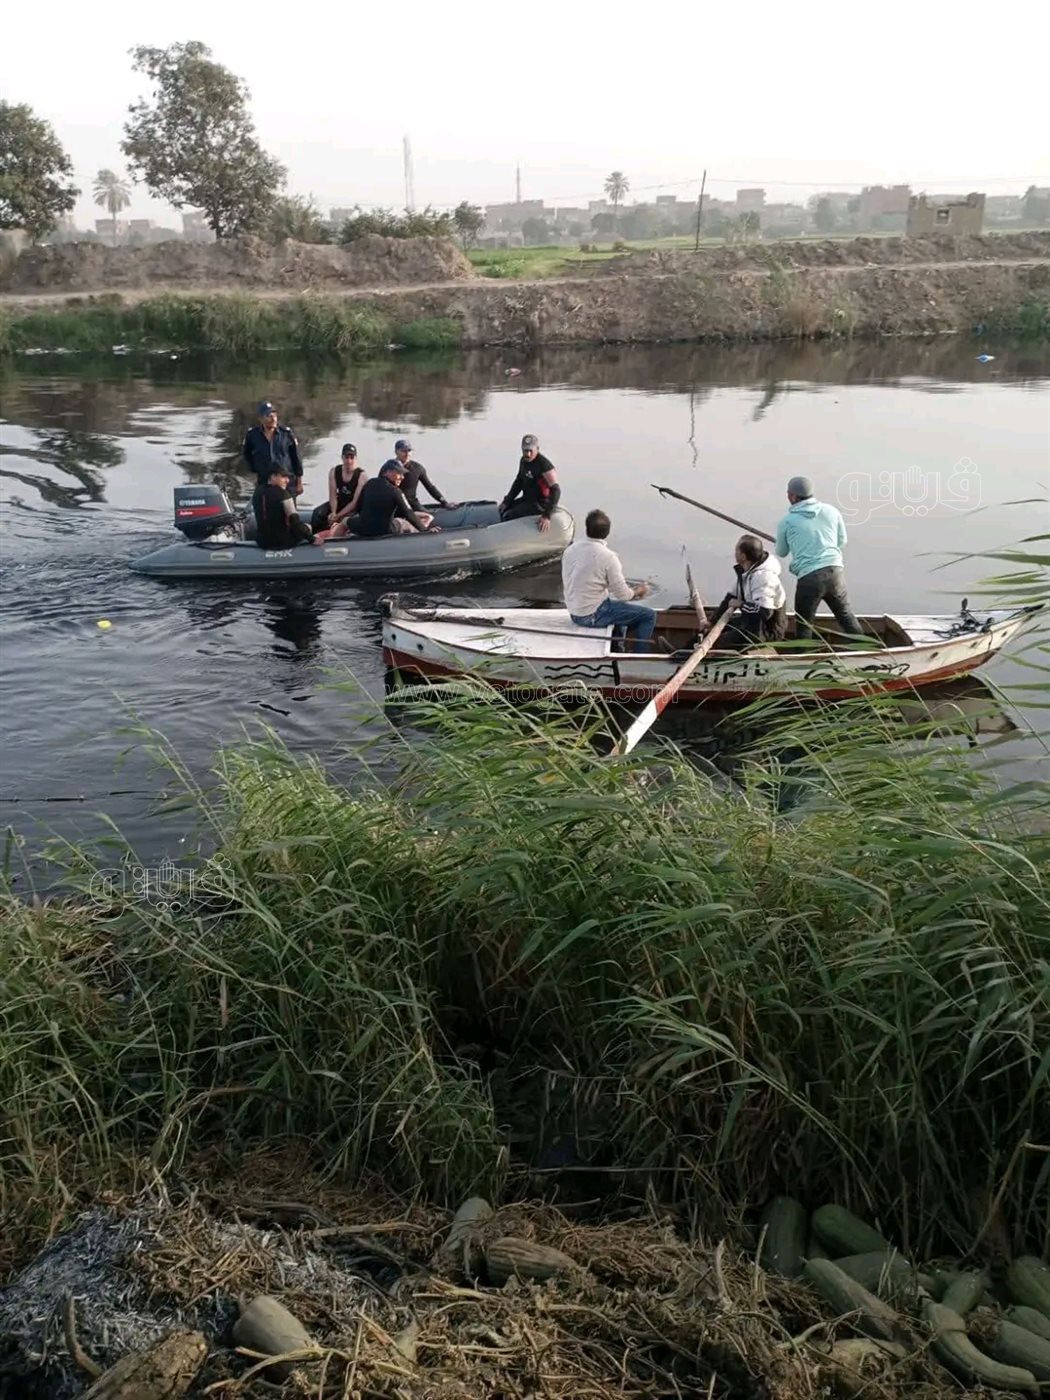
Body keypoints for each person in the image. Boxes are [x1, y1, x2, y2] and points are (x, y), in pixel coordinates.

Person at [774, 476, 863, 641]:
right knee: (846, 616)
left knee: (804, 625)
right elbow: (841, 541)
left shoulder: (787, 522)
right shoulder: (831, 511)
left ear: (792, 496)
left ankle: (803, 659)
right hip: (835, 572)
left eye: (788, 494)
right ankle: (870, 652)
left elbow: (781, 552)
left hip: (809, 578)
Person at [561, 509, 655, 652]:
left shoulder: (570, 550)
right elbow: (624, 596)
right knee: (648, 615)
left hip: (574, 612)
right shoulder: (608, 557)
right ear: (607, 532)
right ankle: (639, 656)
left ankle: (617, 646)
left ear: (586, 528)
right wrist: (639, 590)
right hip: (592, 614)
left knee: (619, 610)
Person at [702, 534, 787, 646]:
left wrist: (741, 605)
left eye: (736, 550)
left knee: (717, 643)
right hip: (750, 623)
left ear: (743, 556)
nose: (734, 553)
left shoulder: (764, 577)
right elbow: (730, 598)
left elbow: (765, 612)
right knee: (707, 634)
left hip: (766, 631)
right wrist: (712, 621)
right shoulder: (746, 572)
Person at [344, 460, 440, 538]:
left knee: (344, 522)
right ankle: (420, 541)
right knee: (403, 523)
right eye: (399, 473)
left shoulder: (369, 483)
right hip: (385, 530)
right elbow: (409, 513)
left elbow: (359, 507)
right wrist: (425, 530)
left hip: (363, 528)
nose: (402, 477)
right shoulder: (395, 491)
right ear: (387, 472)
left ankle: (334, 544)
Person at [379, 439, 455, 520]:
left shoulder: (417, 468)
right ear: (396, 451)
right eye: (403, 451)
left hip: (412, 504)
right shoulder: (388, 468)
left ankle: (421, 530)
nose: (407, 454)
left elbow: (430, 487)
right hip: (393, 505)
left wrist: (444, 502)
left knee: (431, 519)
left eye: (409, 451)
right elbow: (379, 488)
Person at [499, 434, 560, 533]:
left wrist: (547, 515)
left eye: (531, 451)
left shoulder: (544, 466)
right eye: (525, 450)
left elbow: (556, 491)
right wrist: (507, 501)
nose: (528, 454)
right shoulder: (523, 461)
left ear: (537, 449)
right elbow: (518, 482)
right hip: (527, 499)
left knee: (509, 516)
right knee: (504, 511)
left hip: (540, 504)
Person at [242, 400, 303, 497]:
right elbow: (247, 455)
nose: (273, 419)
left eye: (274, 415)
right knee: (266, 510)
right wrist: (255, 471)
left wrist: (299, 482)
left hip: (286, 483)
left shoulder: (286, 434)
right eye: (269, 416)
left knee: (289, 510)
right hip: (264, 482)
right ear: (261, 419)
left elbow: (296, 458)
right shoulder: (253, 435)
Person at [252, 464, 314, 549]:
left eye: (288, 477)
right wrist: (312, 539)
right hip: (282, 542)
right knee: (308, 527)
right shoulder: (283, 494)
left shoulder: (257, 492)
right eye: (283, 477)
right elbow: (295, 523)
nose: (287, 480)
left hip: (262, 543)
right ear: (273, 476)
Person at [311, 443, 367, 533]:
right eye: (346, 458)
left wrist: (338, 516)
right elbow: (332, 495)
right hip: (340, 502)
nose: (349, 461)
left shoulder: (361, 476)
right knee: (317, 513)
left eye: (351, 458)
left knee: (348, 520)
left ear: (356, 458)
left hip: (354, 508)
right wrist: (333, 512)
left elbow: (354, 502)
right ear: (342, 458)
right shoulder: (334, 471)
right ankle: (316, 536)